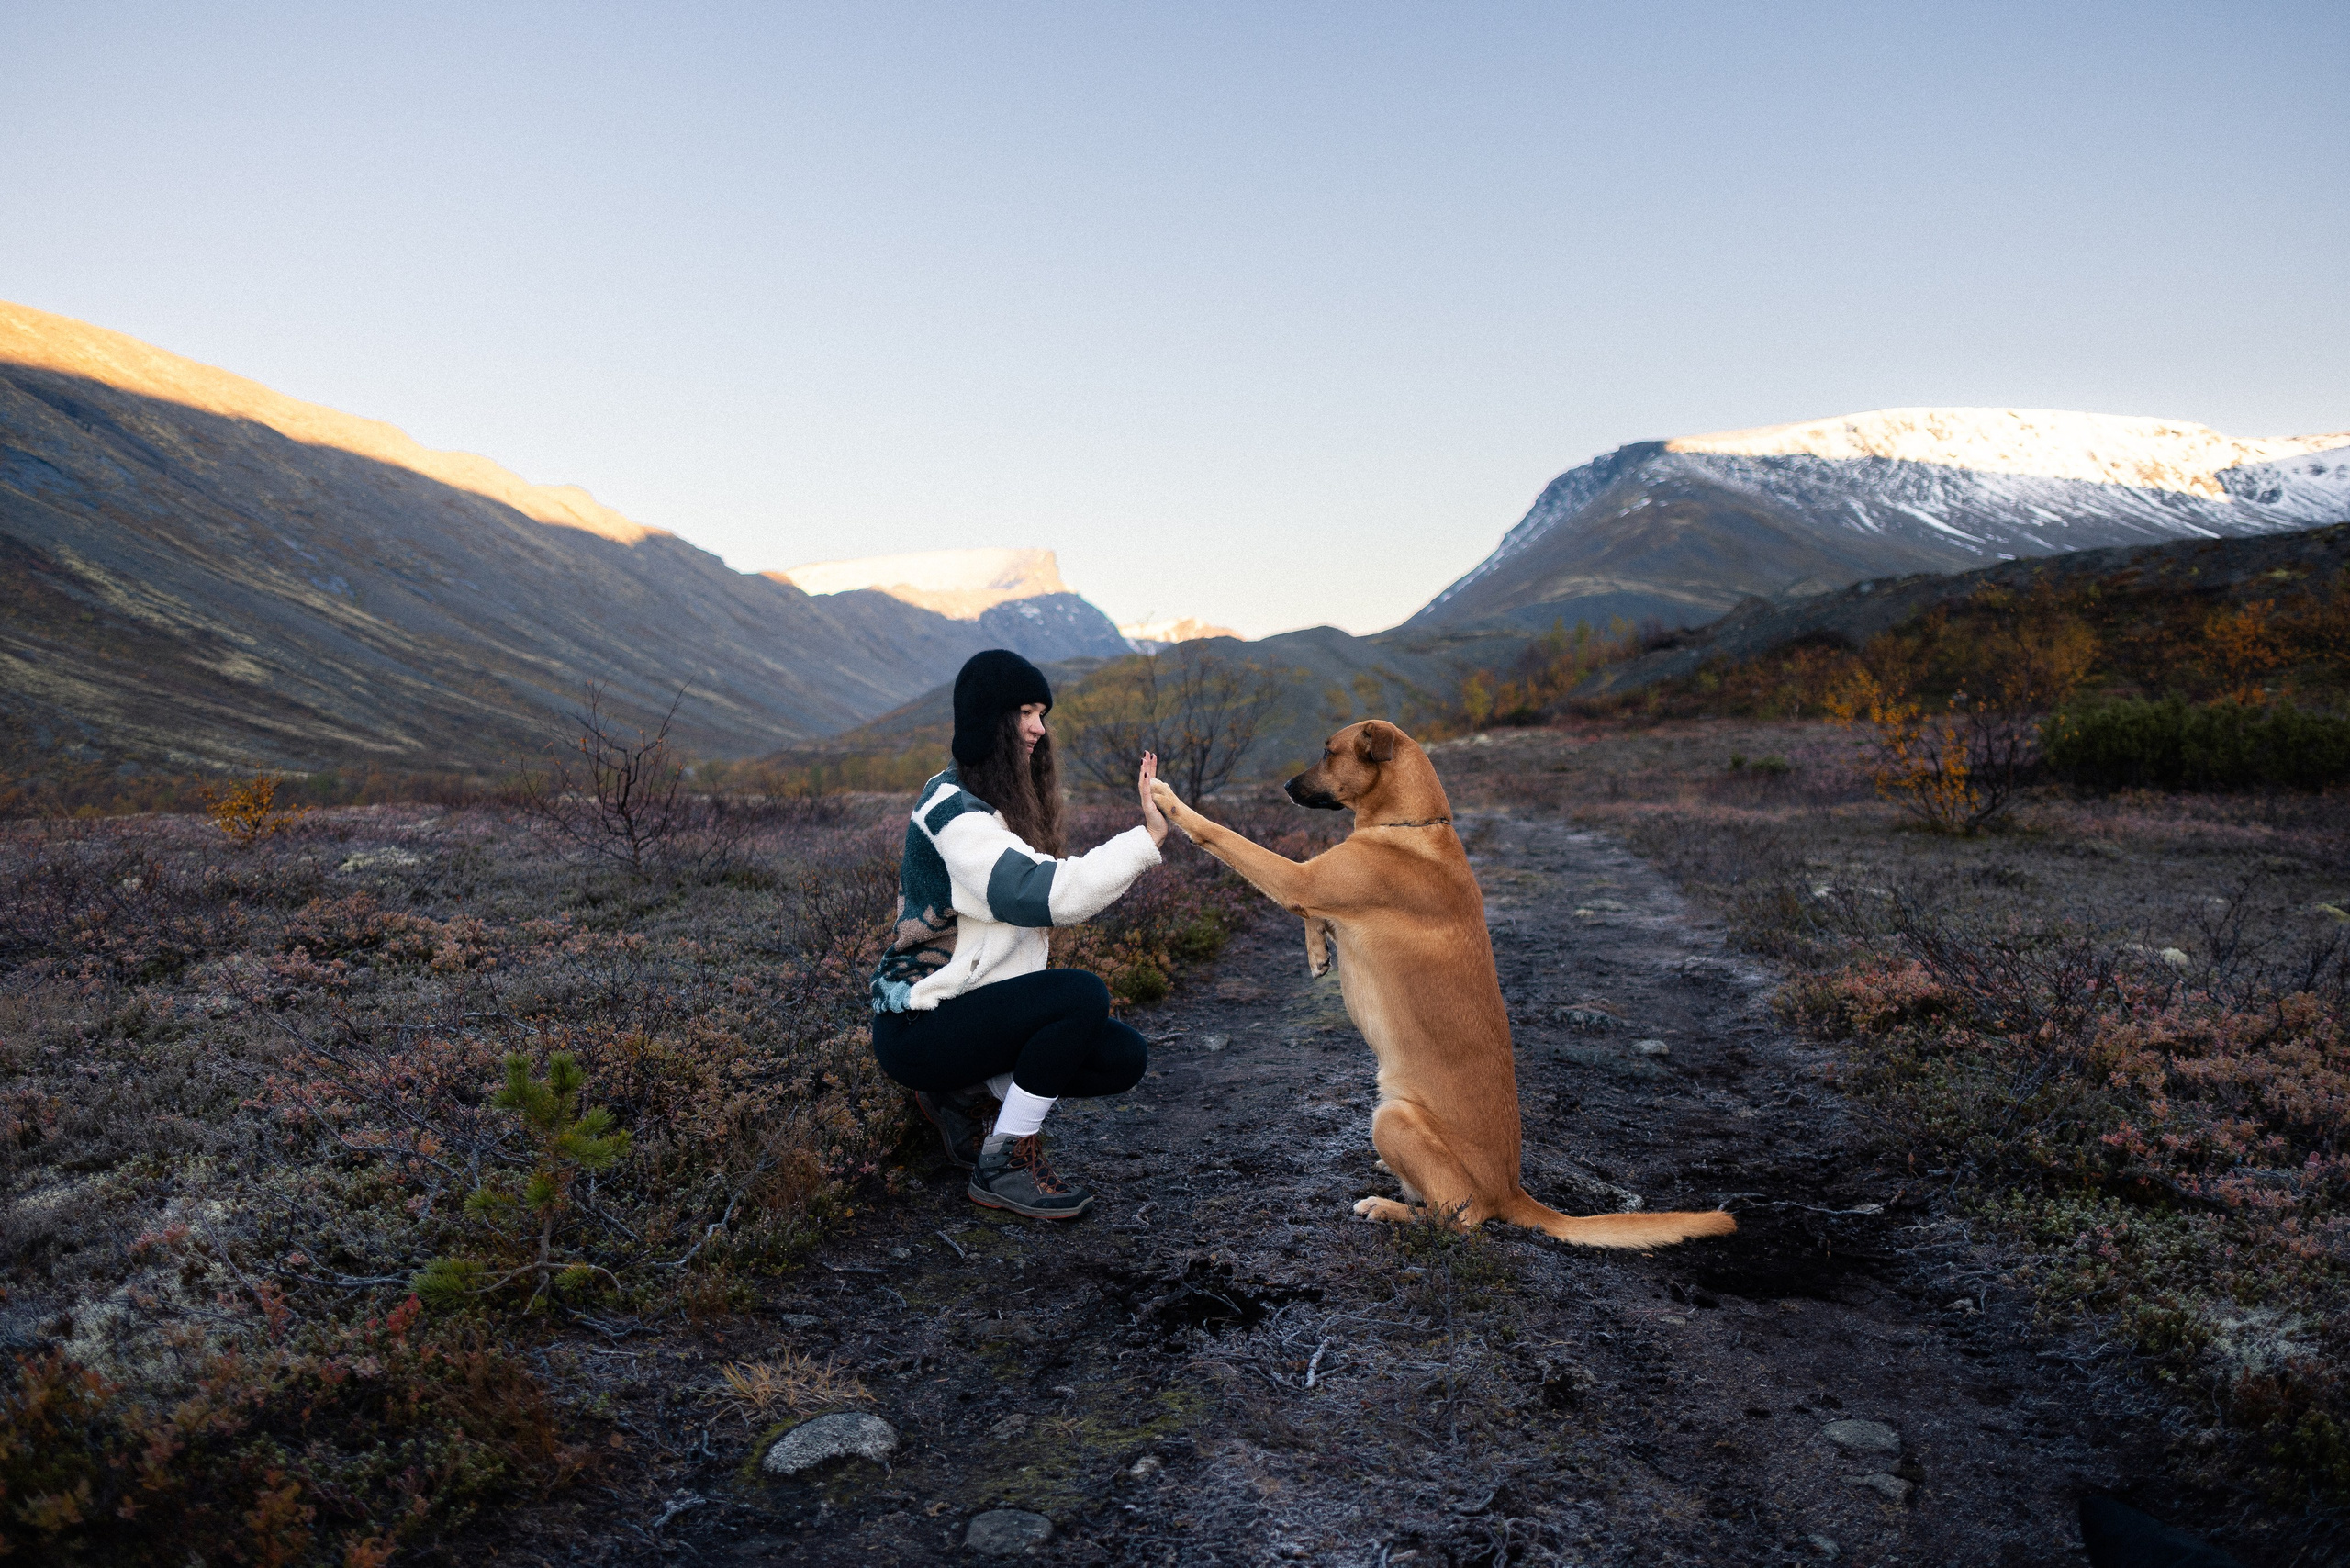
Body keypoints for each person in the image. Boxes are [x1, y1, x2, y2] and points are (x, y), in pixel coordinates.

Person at [868, 648, 1171, 1219]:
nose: (1040, 728)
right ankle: (1002, 1164)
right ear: (991, 720)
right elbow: (1038, 894)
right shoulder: (952, 812)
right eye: (1027, 713)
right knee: (1080, 995)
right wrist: (1145, 841)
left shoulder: (998, 804)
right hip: (918, 1023)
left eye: (1042, 713)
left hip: (968, 1009)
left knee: (1121, 1057)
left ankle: (959, 1095)